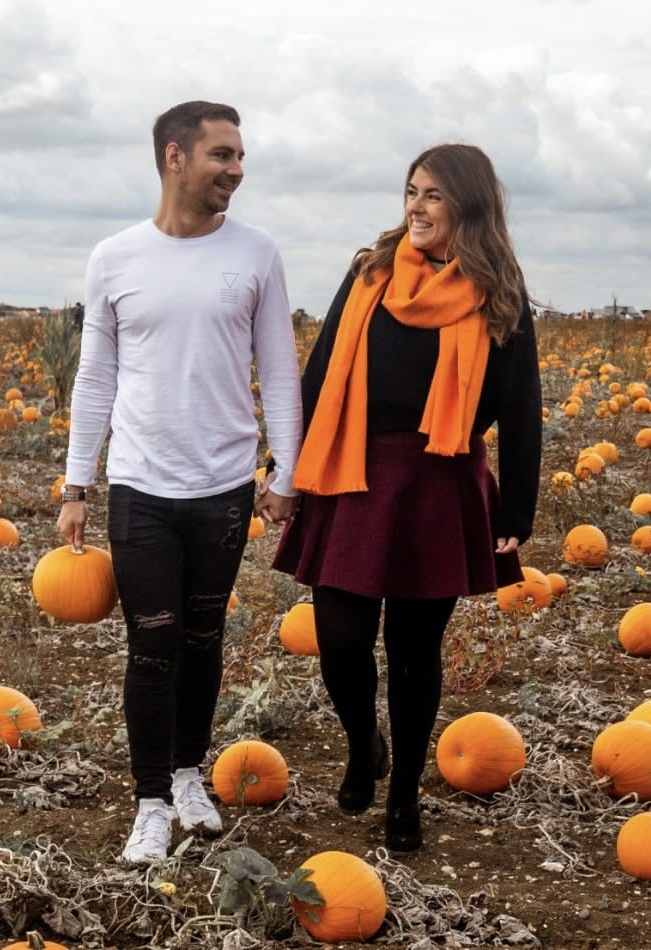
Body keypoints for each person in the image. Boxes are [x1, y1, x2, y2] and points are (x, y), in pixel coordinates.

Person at [272, 143, 542, 855]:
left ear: (467, 206)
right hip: (353, 471)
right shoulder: (371, 275)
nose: (415, 208)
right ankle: (365, 742)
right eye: (410, 192)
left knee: (416, 653)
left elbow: (521, 408)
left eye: (432, 196)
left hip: (438, 480)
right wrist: (287, 472)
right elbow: (321, 372)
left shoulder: (498, 293)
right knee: (339, 643)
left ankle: (403, 796)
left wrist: (517, 511)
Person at [59, 100, 302, 865]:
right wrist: (76, 487)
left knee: (204, 637)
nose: (236, 169)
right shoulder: (115, 258)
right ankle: (151, 801)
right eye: (221, 155)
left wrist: (286, 473)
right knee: (151, 642)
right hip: (140, 487)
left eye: (239, 156)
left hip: (225, 485)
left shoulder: (257, 253)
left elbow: (280, 372)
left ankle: (192, 772)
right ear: (174, 157)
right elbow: (95, 377)